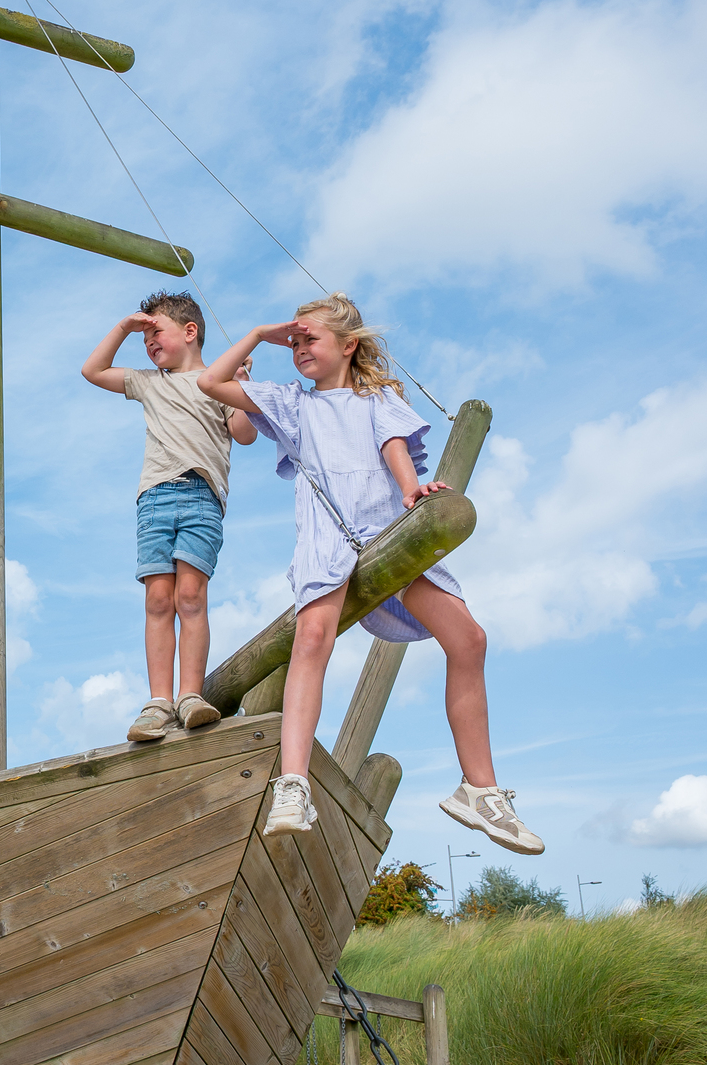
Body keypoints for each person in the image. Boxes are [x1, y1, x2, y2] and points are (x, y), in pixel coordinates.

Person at [196, 292, 543, 856]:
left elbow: (393, 445)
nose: (299, 347)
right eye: (295, 339)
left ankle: (479, 790)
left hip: (385, 530)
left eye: (310, 338)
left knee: (469, 638)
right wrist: (261, 332)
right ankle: (293, 782)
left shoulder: (378, 398)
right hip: (327, 538)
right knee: (312, 639)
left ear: (348, 345)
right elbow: (210, 384)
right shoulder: (291, 404)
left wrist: (412, 490)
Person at [83, 290, 258, 743]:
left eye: (155, 332)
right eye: (144, 338)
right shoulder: (148, 382)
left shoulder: (216, 383)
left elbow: (245, 435)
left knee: (190, 598)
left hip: (202, 497)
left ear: (190, 331)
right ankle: (159, 701)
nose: (149, 343)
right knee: (158, 601)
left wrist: (241, 388)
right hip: (154, 499)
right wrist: (125, 327)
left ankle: (190, 696)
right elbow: (93, 371)